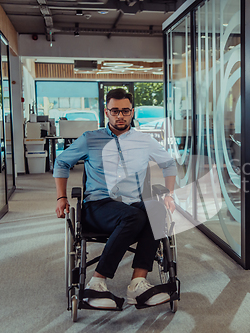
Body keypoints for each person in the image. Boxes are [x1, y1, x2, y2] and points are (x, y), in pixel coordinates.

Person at [54, 88, 177, 309]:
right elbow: (61, 163)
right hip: (98, 205)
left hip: (132, 203)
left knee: (156, 212)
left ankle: (138, 283)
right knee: (135, 217)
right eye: (115, 111)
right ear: (106, 112)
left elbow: (169, 164)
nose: (120, 116)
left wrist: (168, 194)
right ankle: (97, 281)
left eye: (125, 111)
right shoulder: (90, 139)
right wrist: (61, 197)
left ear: (132, 112)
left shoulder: (144, 141)